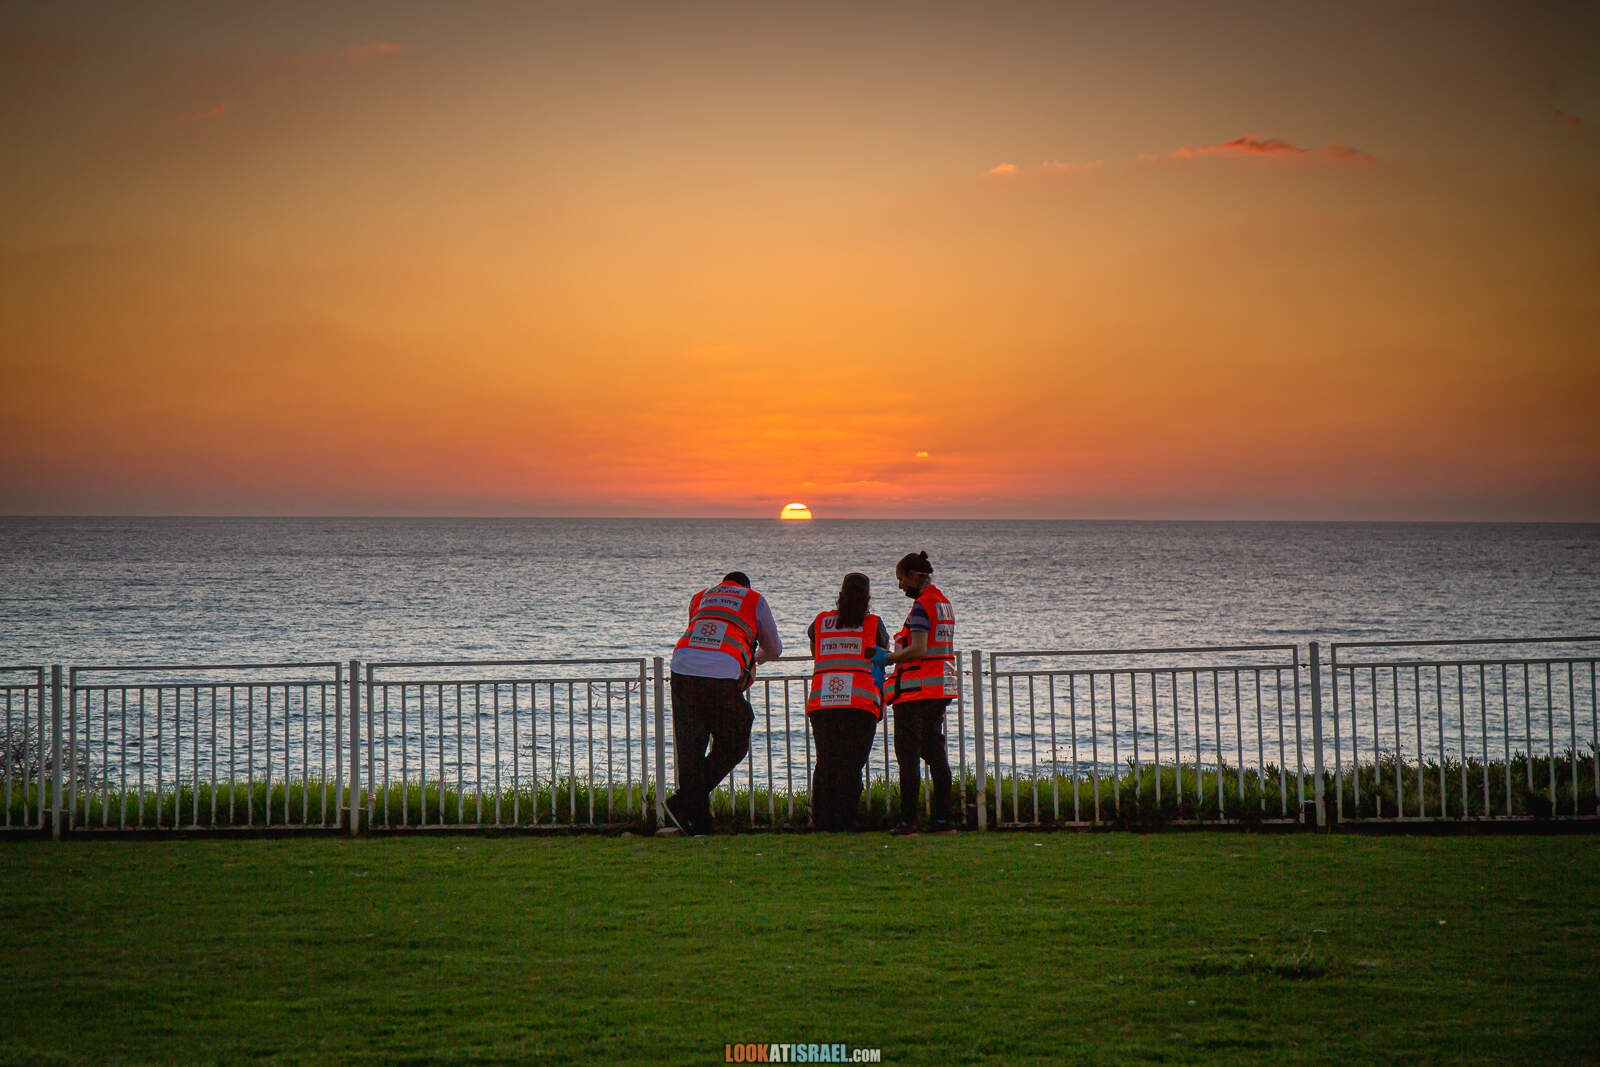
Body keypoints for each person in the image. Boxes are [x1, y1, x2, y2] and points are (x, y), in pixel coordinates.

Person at [665, 571, 781, 836]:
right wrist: (756, 658)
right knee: (736, 739)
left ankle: (698, 822)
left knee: (691, 747)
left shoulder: (700, 597)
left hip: (682, 667)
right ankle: (683, 804)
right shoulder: (753, 599)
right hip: (721, 674)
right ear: (745, 587)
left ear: (723, 585)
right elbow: (774, 649)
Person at [867, 551, 957, 835]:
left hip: (915, 693)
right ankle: (943, 821)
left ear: (914, 577)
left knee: (908, 759)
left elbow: (918, 650)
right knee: (935, 755)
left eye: (901, 580)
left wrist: (888, 658)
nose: (900, 587)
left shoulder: (921, 606)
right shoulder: (943, 604)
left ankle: (908, 822)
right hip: (939, 689)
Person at [805, 572, 889, 831]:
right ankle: (846, 819)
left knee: (826, 762)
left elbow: (815, 652)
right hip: (860, 703)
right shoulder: (874, 624)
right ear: (867, 598)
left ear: (840, 595)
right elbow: (882, 657)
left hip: (824, 702)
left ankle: (821, 820)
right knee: (852, 765)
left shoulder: (820, 622)